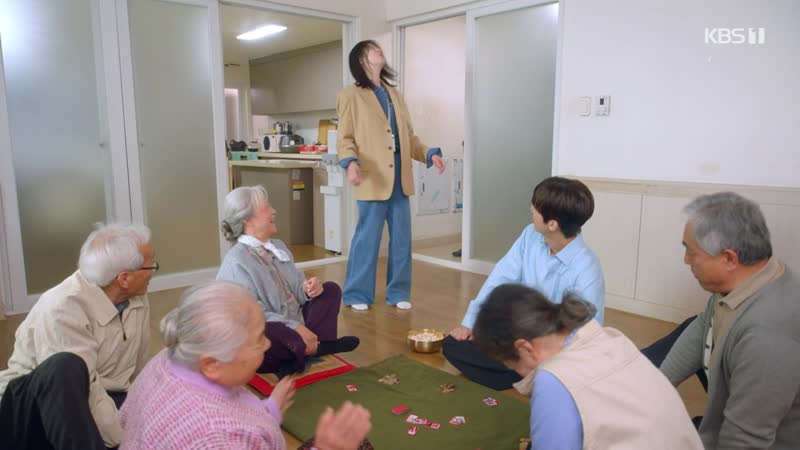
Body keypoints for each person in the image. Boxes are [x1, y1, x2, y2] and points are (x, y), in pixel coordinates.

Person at [120, 280, 372, 450]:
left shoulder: (166, 358)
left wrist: (267, 411)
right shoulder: (217, 436)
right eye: (258, 340)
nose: (267, 345)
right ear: (212, 364)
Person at [643, 192, 800, 448]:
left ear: (728, 258)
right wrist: (656, 386)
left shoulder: (767, 337)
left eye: (692, 252)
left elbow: (744, 440)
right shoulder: (746, 279)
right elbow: (703, 326)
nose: (686, 260)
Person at [472, 284, 703, 450]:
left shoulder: (553, 379)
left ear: (525, 348)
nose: (518, 374)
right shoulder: (611, 337)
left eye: (512, 365)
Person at [0, 223, 156, 449]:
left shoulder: (137, 296)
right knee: (66, 365)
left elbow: (139, 368)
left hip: (105, 395)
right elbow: (81, 391)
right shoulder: (62, 307)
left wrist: (149, 411)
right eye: (150, 265)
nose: (153, 270)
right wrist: (125, 439)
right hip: (34, 410)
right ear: (124, 278)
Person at [442, 176, 605, 390]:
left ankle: (525, 374)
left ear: (552, 224)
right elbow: (500, 278)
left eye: (536, 207)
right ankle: (521, 375)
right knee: (452, 345)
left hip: (551, 353)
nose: (531, 208)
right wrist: (470, 323)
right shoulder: (530, 236)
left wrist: (542, 356)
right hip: (519, 338)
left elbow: (584, 333)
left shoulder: (587, 267)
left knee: (544, 367)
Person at [336, 40, 446, 311]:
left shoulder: (394, 95)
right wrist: (350, 162)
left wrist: (428, 154)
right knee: (367, 240)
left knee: (401, 241)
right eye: (372, 48)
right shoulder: (350, 95)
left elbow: (409, 137)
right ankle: (356, 294)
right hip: (372, 177)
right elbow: (345, 137)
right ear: (361, 59)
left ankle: (398, 292)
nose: (379, 50)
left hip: (400, 178)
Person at [216, 186, 359, 376]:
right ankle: (314, 348)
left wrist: (308, 289)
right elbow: (253, 315)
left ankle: (303, 350)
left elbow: (297, 288)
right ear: (247, 220)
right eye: (266, 207)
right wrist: (294, 327)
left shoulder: (278, 247)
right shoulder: (237, 261)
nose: (274, 211)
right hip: (264, 329)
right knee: (269, 332)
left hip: (292, 322)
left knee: (330, 290)